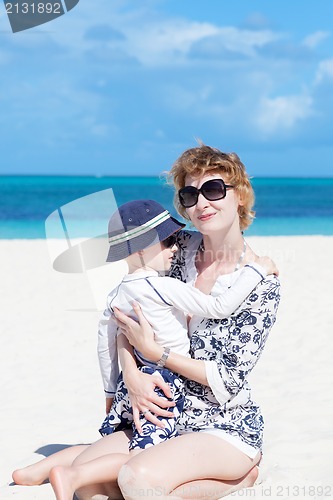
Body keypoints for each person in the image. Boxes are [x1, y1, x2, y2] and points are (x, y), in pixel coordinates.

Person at [12, 144, 280, 500]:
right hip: (162, 410)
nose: (202, 202)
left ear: (240, 197)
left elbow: (228, 380)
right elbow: (127, 309)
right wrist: (131, 371)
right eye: (190, 193)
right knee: (88, 488)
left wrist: (159, 354)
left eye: (214, 190)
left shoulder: (260, 280)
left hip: (220, 420)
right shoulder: (173, 247)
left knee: (136, 479)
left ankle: (238, 477)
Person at [98, 198, 276, 451]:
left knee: (117, 441)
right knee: (145, 452)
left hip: (131, 384)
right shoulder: (163, 286)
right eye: (168, 241)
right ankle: (74, 477)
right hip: (164, 384)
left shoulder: (116, 295)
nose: (174, 248)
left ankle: (61, 471)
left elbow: (105, 345)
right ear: (141, 249)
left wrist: (109, 392)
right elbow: (219, 307)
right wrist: (258, 269)